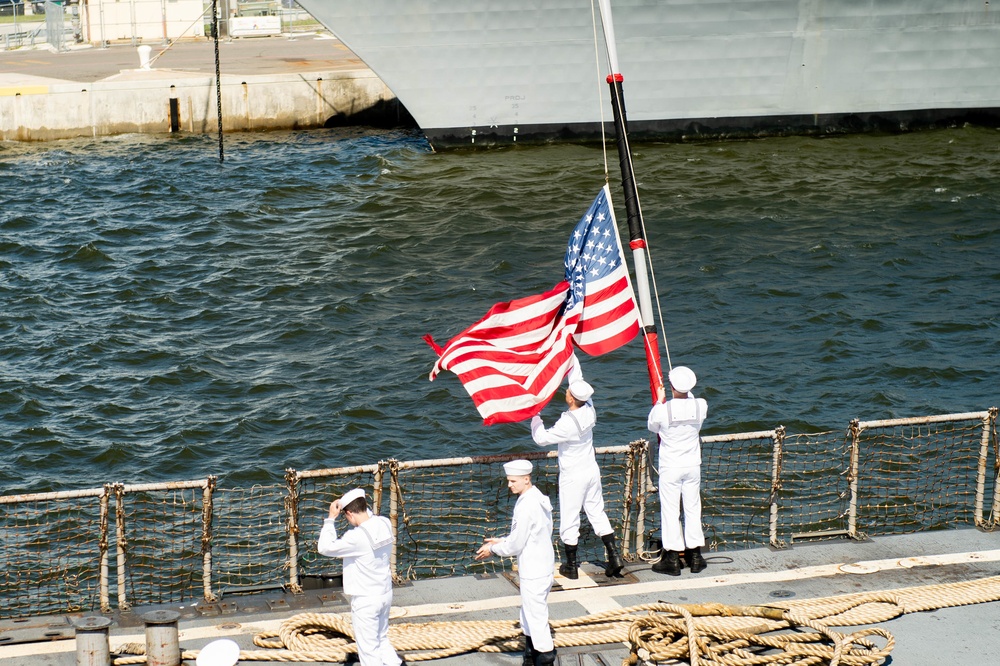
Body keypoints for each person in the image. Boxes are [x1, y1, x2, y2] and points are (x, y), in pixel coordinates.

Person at [530, 354, 624, 580]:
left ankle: (571, 566)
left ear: (571, 399)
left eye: (568, 391)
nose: (567, 391)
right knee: (597, 512)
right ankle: (614, 557)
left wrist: (534, 415)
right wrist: (569, 352)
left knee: (570, 519)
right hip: (591, 470)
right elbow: (577, 377)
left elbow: (541, 439)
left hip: (573, 475)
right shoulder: (589, 408)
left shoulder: (567, 424)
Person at [475, 460, 557, 666]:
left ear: (526, 479)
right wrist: (502, 540)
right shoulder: (539, 497)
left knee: (536, 616)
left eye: (513, 481)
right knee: (529, 612)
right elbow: (532, 533)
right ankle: (530, 656)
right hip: (543, 563)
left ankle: (545, 657)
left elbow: (516, 545)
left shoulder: (525, 506)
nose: (509, 484)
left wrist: (492, 549)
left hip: (533, 568)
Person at [318, 488, 402, 666]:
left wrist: (331, 519)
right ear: (364, 505)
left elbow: (324, 547)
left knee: (368, 651)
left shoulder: (356, 537)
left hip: (365, 600)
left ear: (348, 513)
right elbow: (367, 516)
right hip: (384, 593)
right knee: (381, 640)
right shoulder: (385, 523)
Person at [647, 365, 709, 576]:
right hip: (693, 465)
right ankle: (696, 556)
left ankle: (672, 557)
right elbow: (690, 401)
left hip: (671, 466)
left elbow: (652, 426)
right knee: (693, 508)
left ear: (671, 385)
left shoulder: (662, 410)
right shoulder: (701, 405)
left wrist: (659, 400)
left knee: (671, 511)